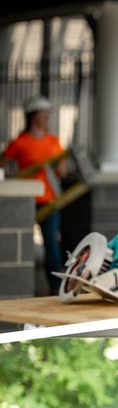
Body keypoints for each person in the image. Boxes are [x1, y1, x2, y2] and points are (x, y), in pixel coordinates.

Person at [3, 96, 67, 289]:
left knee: (52, 246)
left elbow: (62, 172)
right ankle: (18, 283)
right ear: (33, 117)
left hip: (49, 201)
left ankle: (55, 287)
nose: (47, 118)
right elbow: (3, 164)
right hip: (25, 201)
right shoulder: (20, 142)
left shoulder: (53, 141)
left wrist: (57, 163)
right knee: (20, 243)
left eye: (48, 114)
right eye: (43, 114)